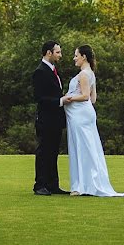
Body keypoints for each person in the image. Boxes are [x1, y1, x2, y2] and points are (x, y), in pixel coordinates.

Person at [60, 45, 124, 197]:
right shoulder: (90, 74)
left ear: (83, 57)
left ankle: (81, 185)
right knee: (88, 147)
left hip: (80, 115)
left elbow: (85, 96)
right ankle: (86, 183)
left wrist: (67, 98)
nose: (74, 58)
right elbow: (93, 99)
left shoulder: (84, 75)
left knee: (81, 147)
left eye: (76, 55)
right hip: (85, 114)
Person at [32, 41, 70, 195]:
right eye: (58, 52)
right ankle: (39, 185)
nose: (60, 55)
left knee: (53, 152)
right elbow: (39, 98)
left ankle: (53, 184)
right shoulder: (40, 72)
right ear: (49, 52)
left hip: (55, 120)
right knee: (43, 152)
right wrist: (61, 101)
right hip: (46, 120)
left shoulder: (53, 70)